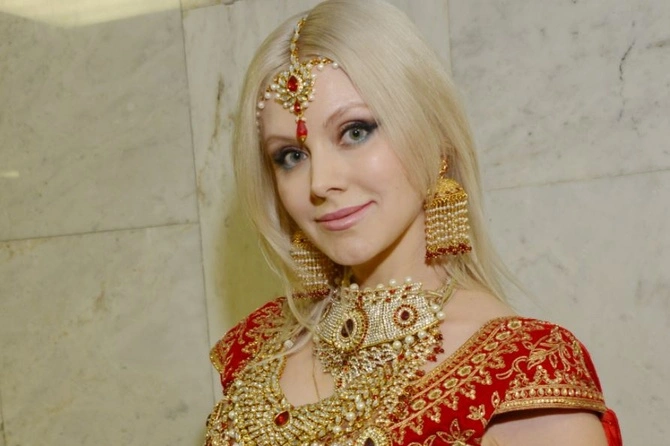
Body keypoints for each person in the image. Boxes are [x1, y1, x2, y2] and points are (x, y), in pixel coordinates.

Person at [203, 1, 622, 445]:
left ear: (434, 138)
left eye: (355, 132)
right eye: (291, 156)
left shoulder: (523, 372)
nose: (320, 182)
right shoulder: (258, 349)